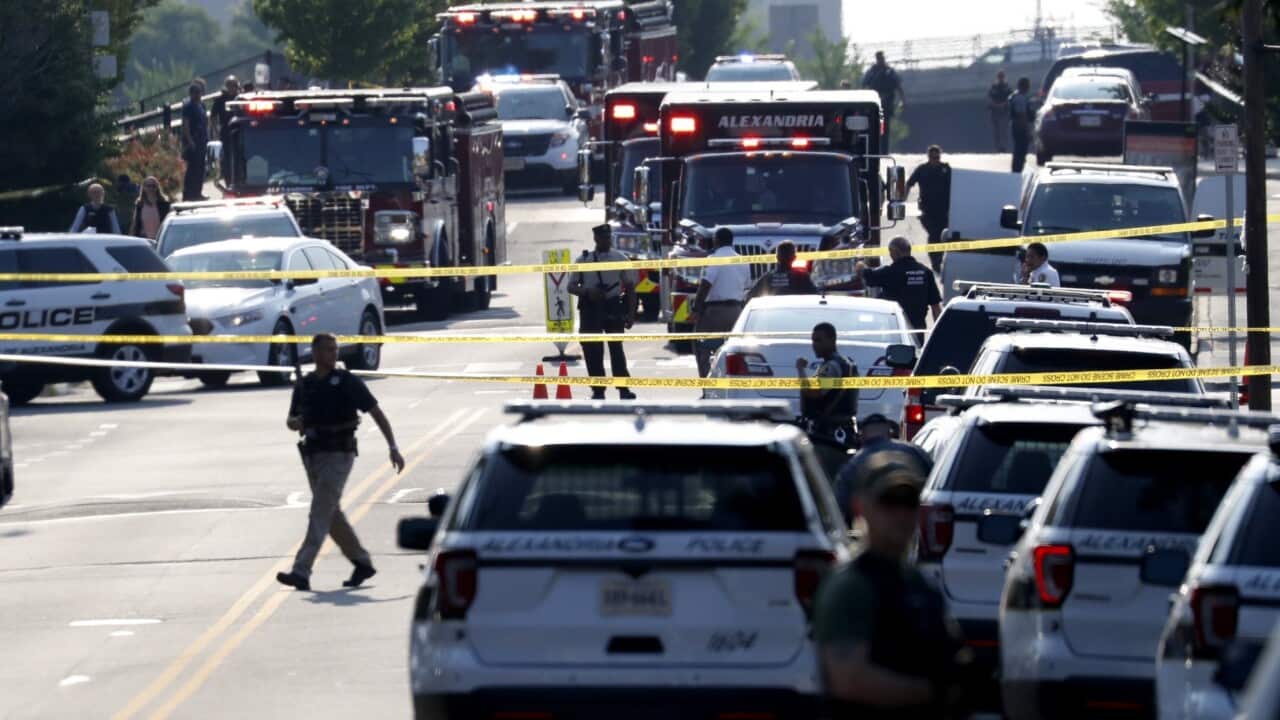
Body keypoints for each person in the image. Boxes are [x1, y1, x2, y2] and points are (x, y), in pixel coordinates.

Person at [812, 458, 968, 719]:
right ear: (860, 507)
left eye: (909, 503)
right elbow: (848, 679)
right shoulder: (851, 587)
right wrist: (929, 692)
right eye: (888, 502)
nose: (900, 515)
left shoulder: (917, 584)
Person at [277, 334, 405, 592]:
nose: (333, 354)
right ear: (315, 353)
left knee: (319, 511)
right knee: (330, 513)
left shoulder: (347, 381)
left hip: (339, 453)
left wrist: (393, 447)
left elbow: (376, 412)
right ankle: (361, 562)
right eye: (328, 350)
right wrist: (295, 422)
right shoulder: (305, 384)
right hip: (313, 454)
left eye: (335, 349)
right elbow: (291, 419)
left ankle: (301, 570)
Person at [569, 224, 638, 400]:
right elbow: (571, 286)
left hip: (613, 306)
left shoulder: (620, 259)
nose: (606, 241)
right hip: (591, 308)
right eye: (603, 238)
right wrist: (587, 292)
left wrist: (631, 314)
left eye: (608, 237)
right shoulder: (583, 260)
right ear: (596, 239)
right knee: (592, 350)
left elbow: (630, 288)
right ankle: (598, 390)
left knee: (616, 349)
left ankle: (623, 389)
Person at [833, 413, 933, 526]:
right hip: (914, 527)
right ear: (890, 433)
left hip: (872, 529)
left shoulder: (852, 466)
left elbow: (839, 510)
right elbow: (934, 483)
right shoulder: (915, 452)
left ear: (862, 437)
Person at [796, 322, 858, 476]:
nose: (814, 345)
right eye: (813, 340)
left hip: (829, 433)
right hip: (839, 430)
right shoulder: (843, 363)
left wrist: (800, 370)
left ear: (832, 340)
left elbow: (813, 393)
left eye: (819, 340)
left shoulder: (832, 366)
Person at [856, 237, 942, 343]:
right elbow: (935, 306)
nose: (890, 255)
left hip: (896, 329)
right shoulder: (925, 272)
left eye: (890, 252)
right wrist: (939, 333)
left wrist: (860, 263)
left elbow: (867, 275)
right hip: (918, 329)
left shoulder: (890, 272)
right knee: (917, 351)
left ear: (896, 252)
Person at [691, 228, 751, 377]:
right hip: (736, 311)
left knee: (702, 347)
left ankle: (707, 382)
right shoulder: (743, 261)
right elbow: (746, 287)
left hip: (714, 312)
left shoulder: (713, 259)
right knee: (735, 349)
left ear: (716, 241)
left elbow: (705, 285)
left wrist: (696, 309)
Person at [905, 145, 952, 273]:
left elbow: (957, 186)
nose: (935, 160)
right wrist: (902, 200)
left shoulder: (946, 169)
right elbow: (909, 183)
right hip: (927, 211)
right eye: (932, 157)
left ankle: (940, 259)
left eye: (937, 157)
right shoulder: (922, 169)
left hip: (944, 211)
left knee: (942, 236)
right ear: (928, 157)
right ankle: (935, 262)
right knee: (934, 235)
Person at [861, 52, 904, 152]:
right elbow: (864, 85)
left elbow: (898, 87)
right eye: (879, 58)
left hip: (886, 103)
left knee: (884, 128)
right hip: (874, 103)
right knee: (873, 127)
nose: (880, 60)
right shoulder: (872, 72)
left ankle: (884, 150)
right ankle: (873, 149)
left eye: (882, 58)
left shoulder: (889, 72)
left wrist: (903, 100)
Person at [747, 240, 818, 298]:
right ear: (794, 258)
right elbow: (816, 297)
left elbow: (750, 296)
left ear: (777, 257)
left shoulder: (767, 278)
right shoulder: (803, 278)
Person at [181, 82, 209, 201]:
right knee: (192, 168)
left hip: (202, 140)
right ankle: (188, 193)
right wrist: (190, 140)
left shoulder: (201, 105)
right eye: (195, 93)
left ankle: (198, 192)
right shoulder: (188, 106)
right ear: (191, 93)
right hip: (193, 141)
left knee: (201, 168)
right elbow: (185, 124)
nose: (198, 95)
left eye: (199, 92)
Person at [129, 176, 171, 242]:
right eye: (148, 186)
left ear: (157, 188)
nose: (151, 188)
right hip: (143, 239)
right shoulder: (140, 204)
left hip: (160, 239)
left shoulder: (164, 204)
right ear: (144, 188)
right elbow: (135, 224)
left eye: (153, 186)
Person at [1008, 76, 1035, 174]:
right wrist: (1028, 131)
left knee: (1019, 150)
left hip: (1016, 126)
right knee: (1020, 150)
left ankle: (1017, 169)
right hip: (1020, 127)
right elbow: (1022, 115)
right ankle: (1017, 170)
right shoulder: (1020, 98)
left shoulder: (1015, 96)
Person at [210, 75, 241, 142]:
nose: (232, 88)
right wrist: (216, 131)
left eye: (234, 85)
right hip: (225, 130)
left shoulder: (240, 98)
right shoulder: (220, 99)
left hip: (240, 129)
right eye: (229, 85)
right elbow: (213, 116)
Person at [987, 71, 1012, 152]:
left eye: (1002, 77)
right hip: (995, 111)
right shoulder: (994, 87)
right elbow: (990, 97)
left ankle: (1003, 146)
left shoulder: (1007, 87)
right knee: (996, 131)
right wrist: (995, 105)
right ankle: (997, 147)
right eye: (999, 77)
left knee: (1004, 130)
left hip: (1004, 111)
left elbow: (1010, 98)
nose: (1001, 79)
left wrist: (1004, 104)